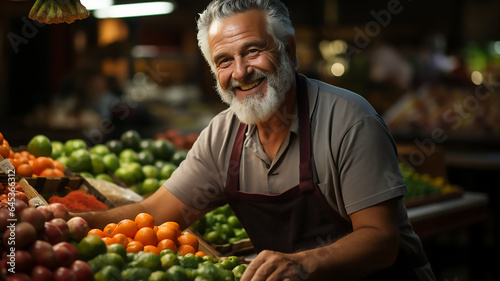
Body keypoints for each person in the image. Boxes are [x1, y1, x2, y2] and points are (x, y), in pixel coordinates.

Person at [74, 0, 436, 280]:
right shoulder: (221, 136)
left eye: (251, 51)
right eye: (224, 60)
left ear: (288, 51)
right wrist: (69, 223)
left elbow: (381, 241)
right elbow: (153, 215)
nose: (240, 72)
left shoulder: (349, 121)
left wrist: (303, 264)